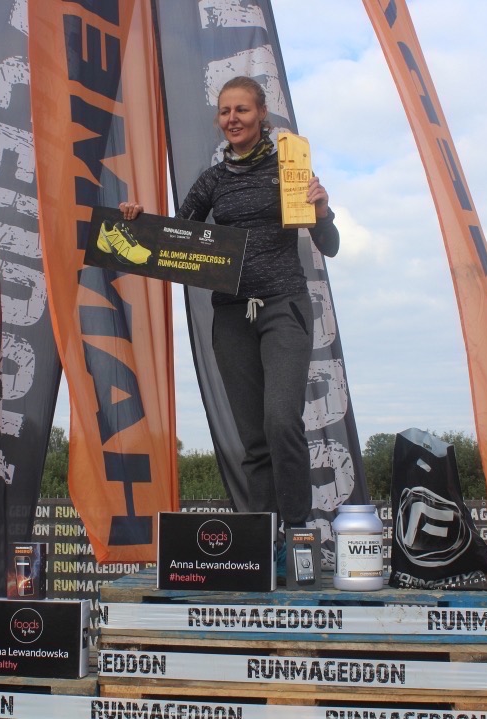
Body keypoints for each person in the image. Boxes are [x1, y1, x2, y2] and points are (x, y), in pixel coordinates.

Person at [119, 76, 340, 539]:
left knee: (280, 420)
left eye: (242, 109)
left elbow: (331, 245)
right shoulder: (214, 179)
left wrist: (321, 211)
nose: (232, 119)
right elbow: (176, 236)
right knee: (253, 438)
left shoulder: (290, 170)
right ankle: (264, 539)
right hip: (232, 316)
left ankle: (297, 533)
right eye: (225, 111)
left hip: (283, 306)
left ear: (262, 114)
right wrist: (139, 224)